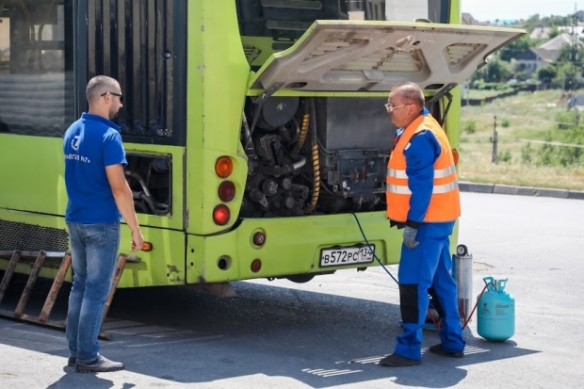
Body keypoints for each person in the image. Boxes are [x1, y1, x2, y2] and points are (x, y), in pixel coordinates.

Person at [379, 82, 465, 367]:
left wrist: (413, 224)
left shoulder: (419, 138)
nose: (389, 110)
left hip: (427, 223)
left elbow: (422, 187)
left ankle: (408, 349)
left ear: (412, 107)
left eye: (393, 105)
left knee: (412, 283)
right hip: (442, 219)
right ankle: (453, 341)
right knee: (442, 281)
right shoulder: (429, 125)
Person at [63, 75, 144, 373]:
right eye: (119, 97)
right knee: (96, 290)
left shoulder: (73, 130)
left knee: (80, 286)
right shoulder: (109, 137)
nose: (121, 103)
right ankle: (87, 356)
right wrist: (135, 228)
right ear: (106, 97)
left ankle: (75, 351)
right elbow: (119, 188)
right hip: (100, 223)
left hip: (76, 219)